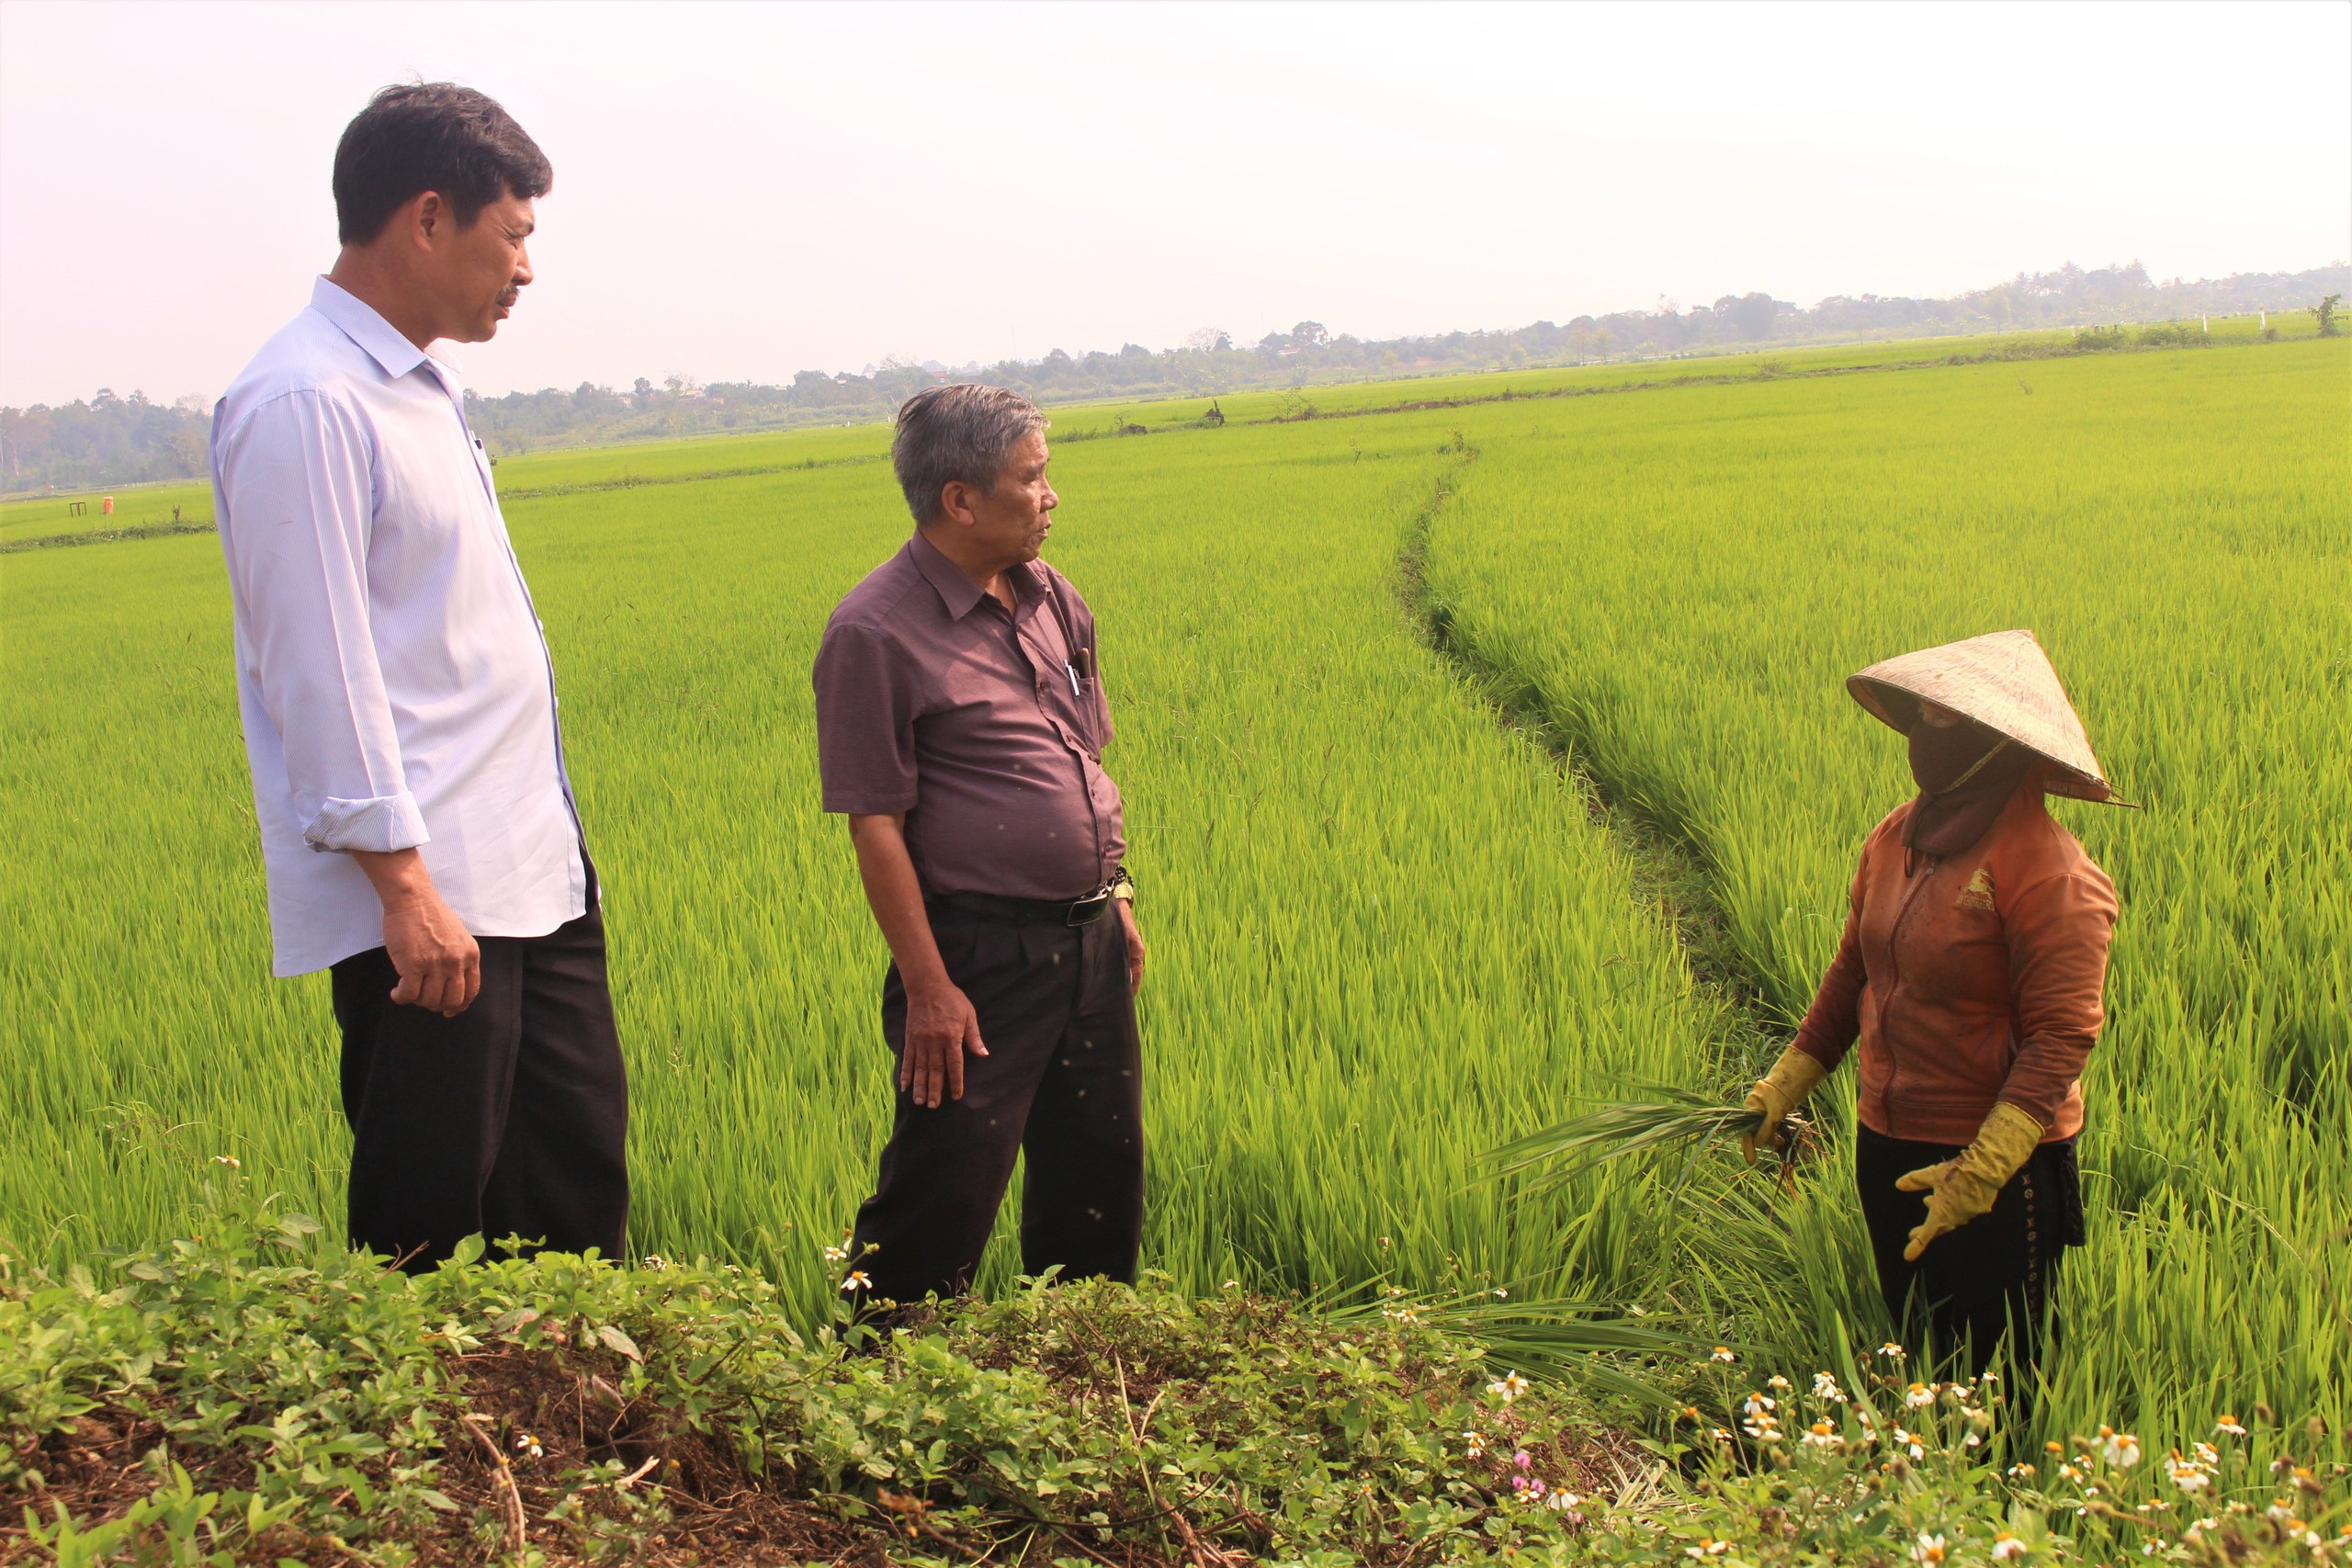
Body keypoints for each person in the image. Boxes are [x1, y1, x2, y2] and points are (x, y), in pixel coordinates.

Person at [210, 84, 627, 1271]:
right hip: (433, 898)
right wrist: (401, 887)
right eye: (516, 234)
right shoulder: (307, 400)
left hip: (530, 872)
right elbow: (322, 665)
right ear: (429, 219)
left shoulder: (419, 388)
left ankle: (562, 1447)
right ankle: (413, 1452)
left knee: (573, 1197)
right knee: (427, 1223)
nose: (527, 269)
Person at [814, 384, 1146, 1307]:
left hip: (1087, 942)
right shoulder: (874, 632)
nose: (1051, 496)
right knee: (940, 1198)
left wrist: (1115, 897)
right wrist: (928, 988)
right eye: (1030, 479)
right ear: (959, 500)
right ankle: (873, 1403)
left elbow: (1081, 758)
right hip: (977, 957)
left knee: (1097, 1188)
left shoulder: (1052, 597)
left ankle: (1080, 1386)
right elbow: (874, 823)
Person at [1741, 629, 2121, 1385]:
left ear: (1996, 742)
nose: (1922, 733)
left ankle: (2001, 1499)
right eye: (1923, 714)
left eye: (1947, 720)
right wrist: (1787, 1082)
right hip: (1886, 1136)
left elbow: (2060, 1038)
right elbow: (1855, 971)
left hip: (1997, 1162)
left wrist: (1980, 1171)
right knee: (1916, 1346)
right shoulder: (1894, 838)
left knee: (1999, 1377)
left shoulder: (2053, 874)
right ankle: (1921, 1494)